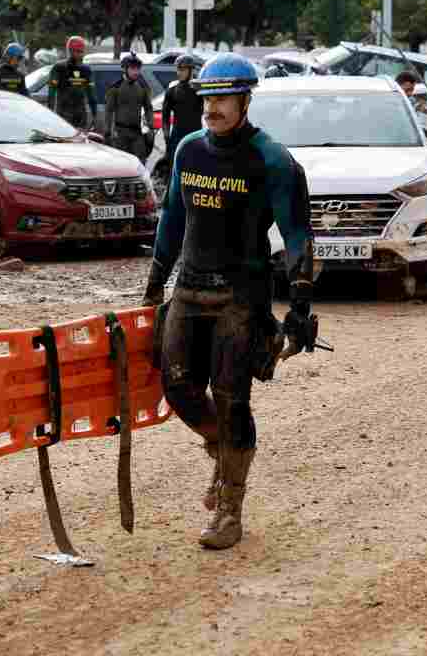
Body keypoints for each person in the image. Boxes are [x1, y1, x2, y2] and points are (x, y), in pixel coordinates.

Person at [141, 53, 316, 551]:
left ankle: (229, 508)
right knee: (178, 389)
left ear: (244, 100)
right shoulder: (189, 152)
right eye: (206, 99)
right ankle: (224, 448)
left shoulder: (273, 160)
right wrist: (155, 284)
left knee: (232, 396)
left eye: (221, 99)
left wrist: (300, 305)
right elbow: (172, 220)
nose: (211, 108)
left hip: (242, 295)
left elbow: (299, 236)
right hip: (189, 291)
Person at [104, 53, 154, 160]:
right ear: (125, 69)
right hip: (120, 133)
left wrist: (150, 126)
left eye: (138, 68)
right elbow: (109, 111)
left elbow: (148, 108)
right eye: (133, 68)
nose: (136, 72)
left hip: (137, 133)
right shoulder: (115, 88)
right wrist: (108, 132)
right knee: (121, 164)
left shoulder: (142, 87)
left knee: (140, 162)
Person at [160, 54, 203, 173]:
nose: (179, 72)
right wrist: (166, 135)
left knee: (196, 170)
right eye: (178, 69)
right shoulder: (172, 91)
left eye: (183, 69)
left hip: (196, 136)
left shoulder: (199, 91)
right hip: (176, 137)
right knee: (175, 171)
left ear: (191, 70)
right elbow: (165, 116)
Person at [47, 36, 98, 130]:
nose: (80, 55)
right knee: (65, 143)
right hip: (63, 115)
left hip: (81, 116)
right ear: (70, 51)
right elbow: (51, 93)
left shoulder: (86, 70)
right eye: (77, 51)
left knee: (81, 143)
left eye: (81, 51)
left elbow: (91, 95)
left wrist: (95, 115)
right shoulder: (59, 68)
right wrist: (50, 114)